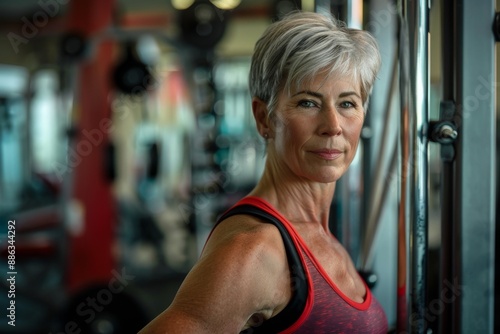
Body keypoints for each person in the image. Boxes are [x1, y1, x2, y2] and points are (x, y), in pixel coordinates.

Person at [140, 10, 387, 333]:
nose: (332, 126)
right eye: (308, 103)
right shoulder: (255, 249)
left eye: (347, 103)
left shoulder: (321, 234)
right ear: (264, 118)